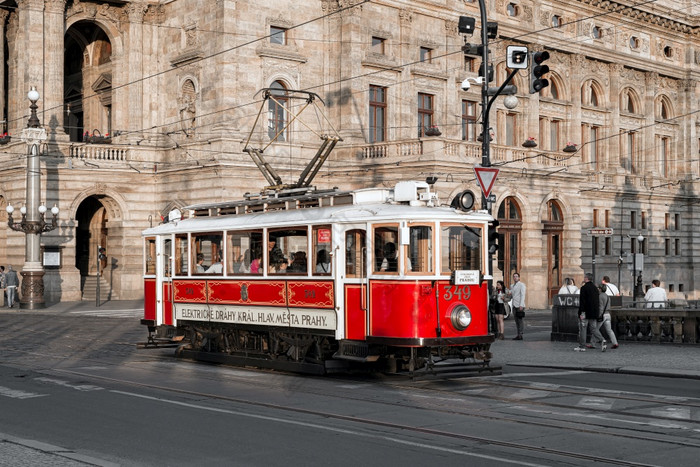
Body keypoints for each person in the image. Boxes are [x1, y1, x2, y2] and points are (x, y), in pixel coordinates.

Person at [576, 272, 606, 351]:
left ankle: (582, 346)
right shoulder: (595, 288)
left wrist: (581, 312)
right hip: (593, 312)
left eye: (584, 277)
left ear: (586, 278)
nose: (584, 278)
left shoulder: (584, 288)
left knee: (583, 328)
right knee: (593, 329)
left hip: (585, 312)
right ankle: (602, 339)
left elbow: (582, 301)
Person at [597, 284, 619, 349]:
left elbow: (601, 307)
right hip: (608, 314)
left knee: (595, 329)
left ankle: (593, 343)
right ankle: (615, 343)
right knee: (609, 330)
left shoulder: (600, 296)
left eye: (598, 288)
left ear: (600, 289)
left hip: (603, 315)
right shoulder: (607, 296)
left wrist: (599, 315)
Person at [510, 272, 526, 340]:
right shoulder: (512, 286)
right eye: (514, 276)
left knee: (520, 320)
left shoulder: (522, 285)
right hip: (514, 304)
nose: (515, 277)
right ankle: (518, 334)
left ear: (519, 278)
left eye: (516, 276)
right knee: (516, 321)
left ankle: (520, 334)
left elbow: (523, 295)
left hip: (519, 305)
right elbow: (512, 295)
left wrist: (521, 305)